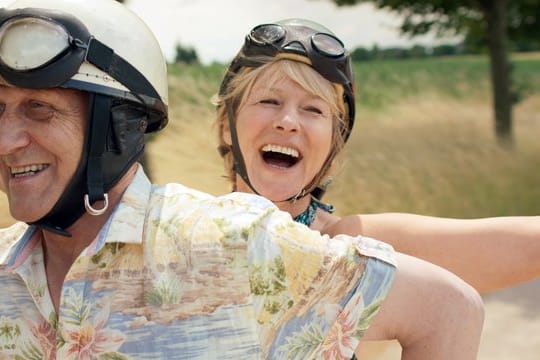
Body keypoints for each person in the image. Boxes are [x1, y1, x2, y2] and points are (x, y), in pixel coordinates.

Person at [0, 2, 483, 359]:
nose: (5, 141)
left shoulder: (238, 243)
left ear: (119, 124)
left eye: (39, 108)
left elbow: (448, 308)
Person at [214, 18, 540, 296]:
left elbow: (528, 246)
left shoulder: (356, 246)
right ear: (227, 126)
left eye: (312, 109)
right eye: (269, 101)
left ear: (333, 145)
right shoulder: (180, 228)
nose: (287, 122)